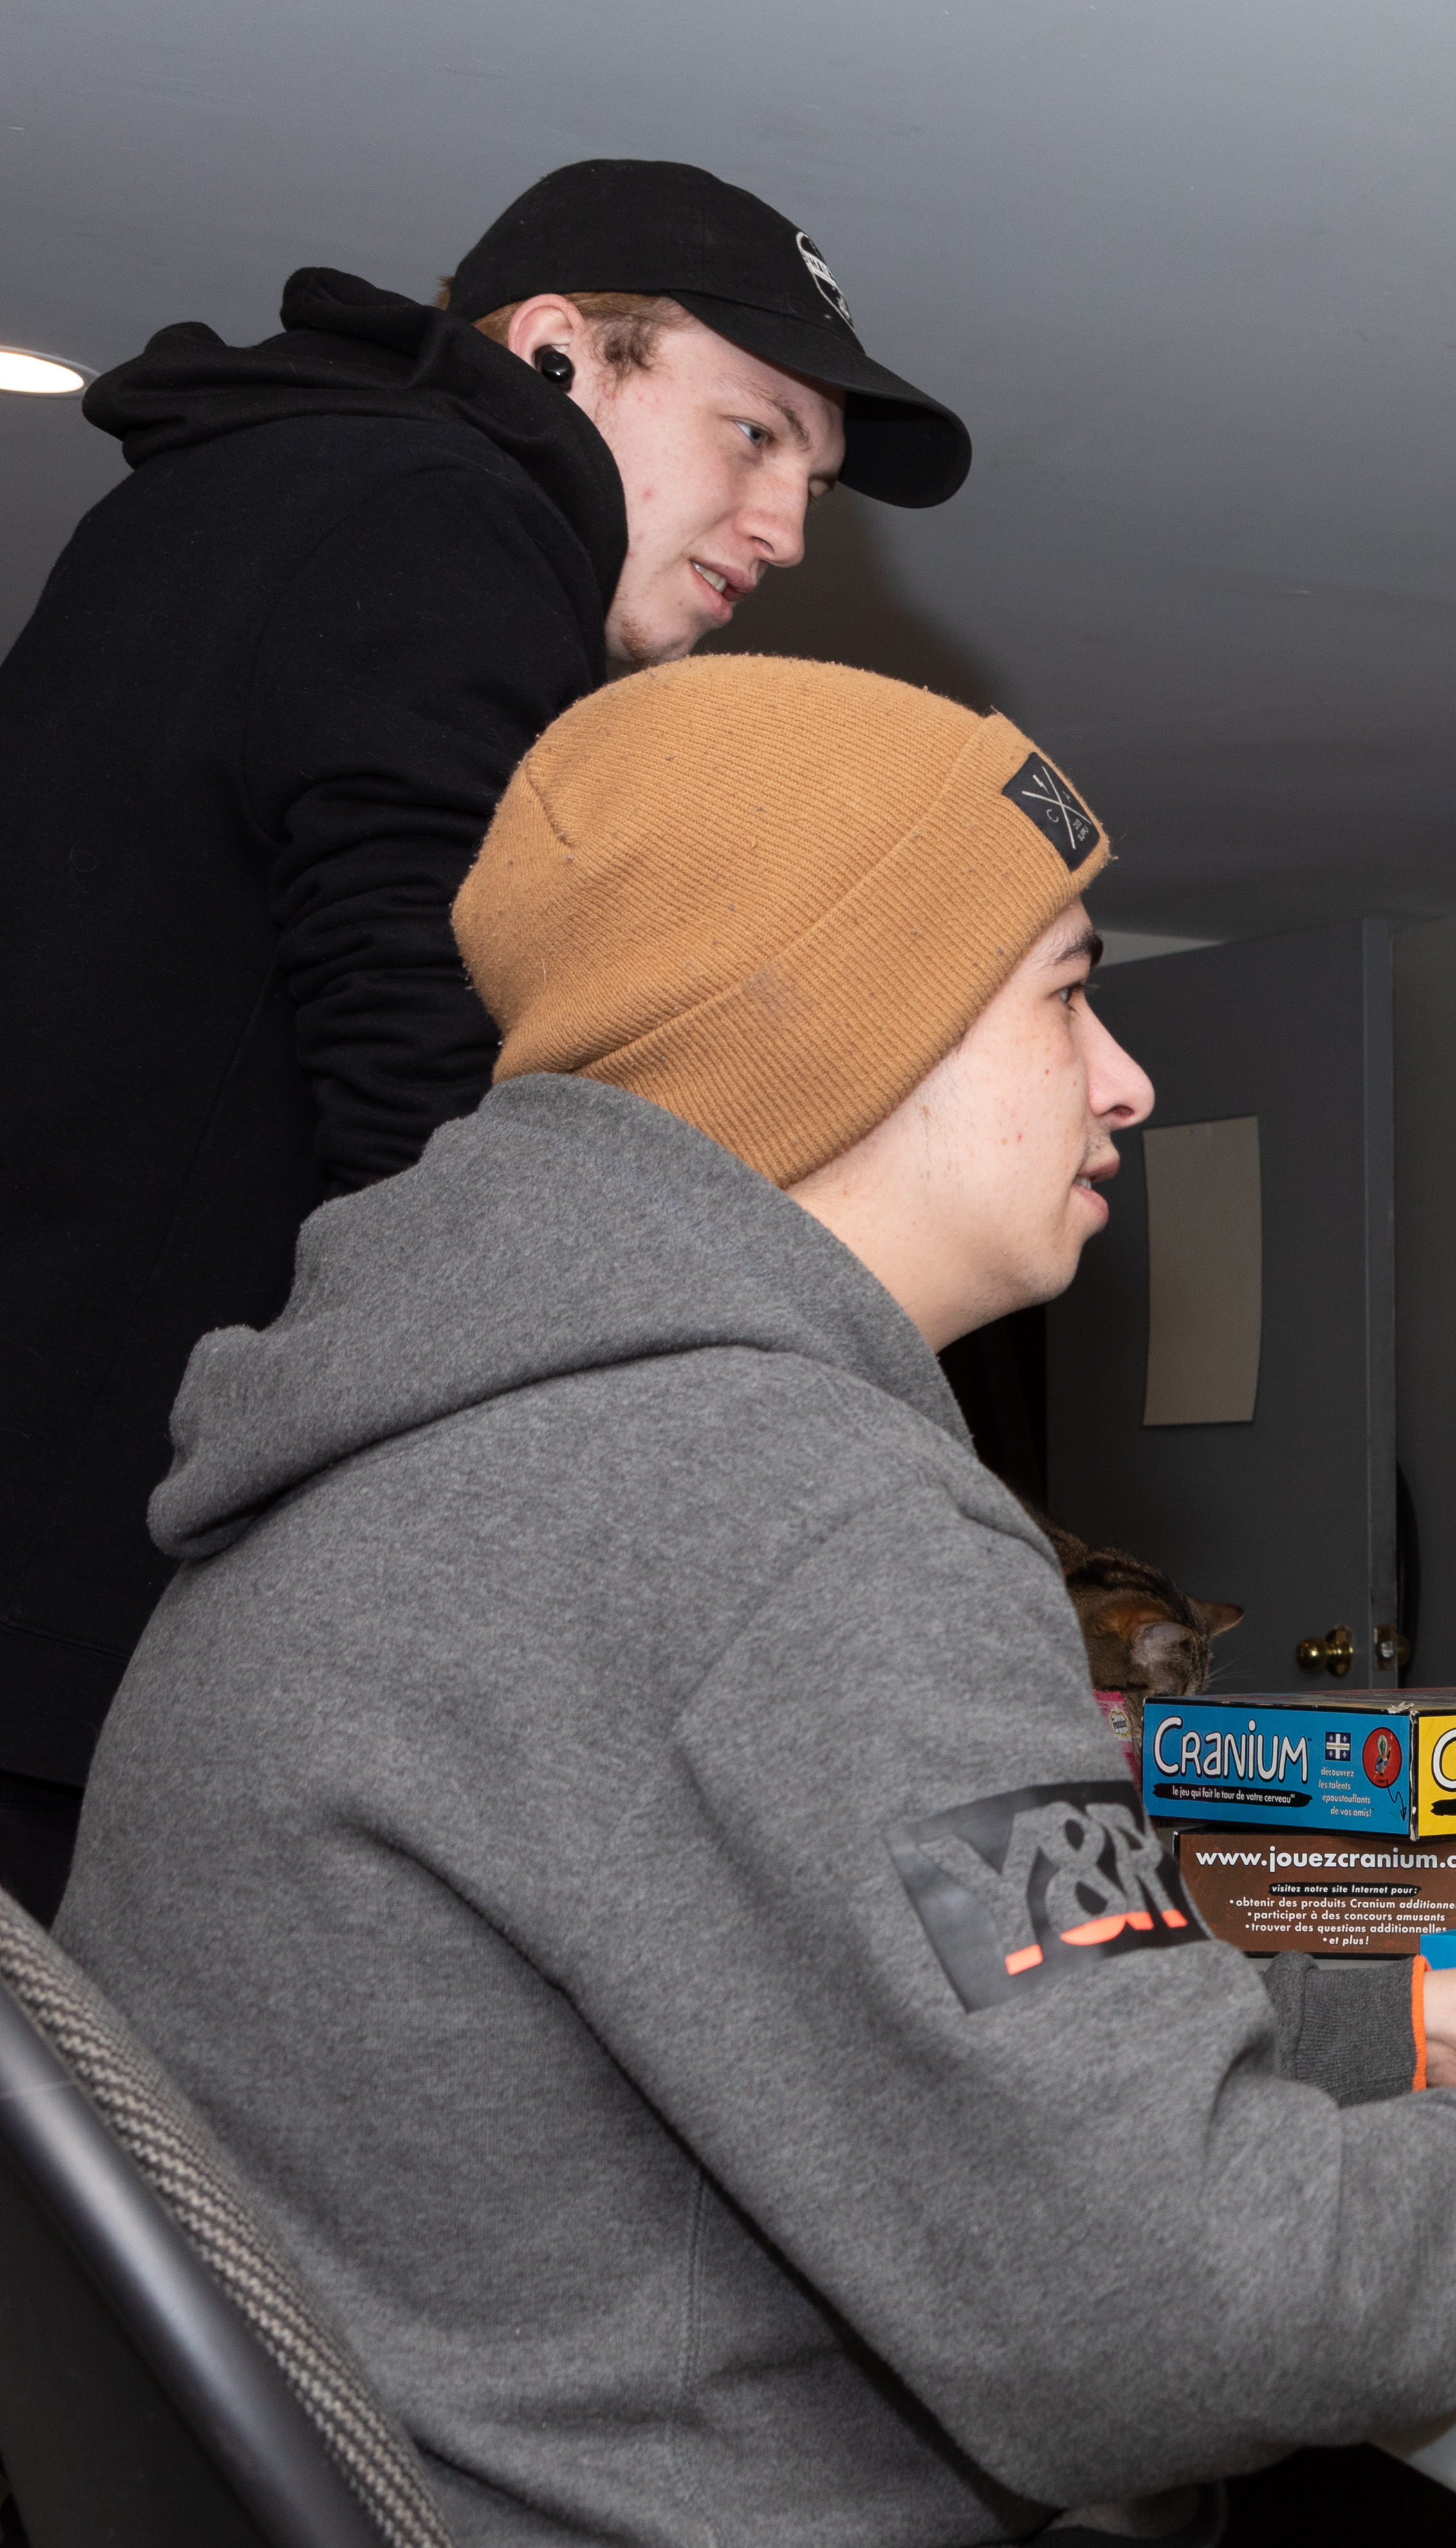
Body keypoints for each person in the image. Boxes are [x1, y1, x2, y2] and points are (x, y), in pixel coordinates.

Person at [52, 653, 1456, 2548]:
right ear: (844, 1023)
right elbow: (1189, 2314)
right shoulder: (784, 1508)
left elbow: (803, 2011)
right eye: (1070, 995)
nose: (1131, 1078)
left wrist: (1412, 2018)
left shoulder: (403, 1482)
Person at [0, 158, 967, 1928]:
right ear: (551, 356)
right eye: (754, 437)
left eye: (812, 482)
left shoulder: (250, 495)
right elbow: (436, 1120)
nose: (788, 529)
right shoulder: (439, 518)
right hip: (90, 1620)